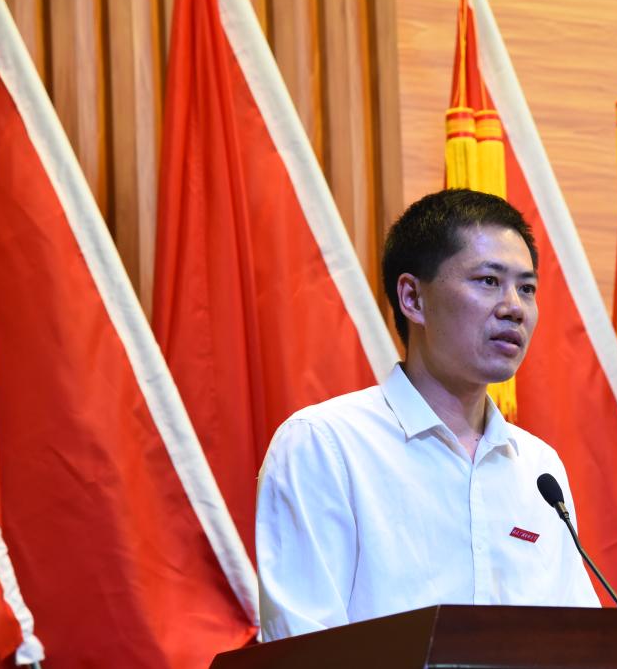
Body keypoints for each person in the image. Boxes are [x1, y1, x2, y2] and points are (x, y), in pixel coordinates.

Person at [255, 189, 599, 641]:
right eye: (488, 281)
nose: (514, 307)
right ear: (413, 298)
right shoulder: (325, 445)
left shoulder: (539, 468)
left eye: (527, 288)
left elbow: (578, 642)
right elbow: (301, 647)